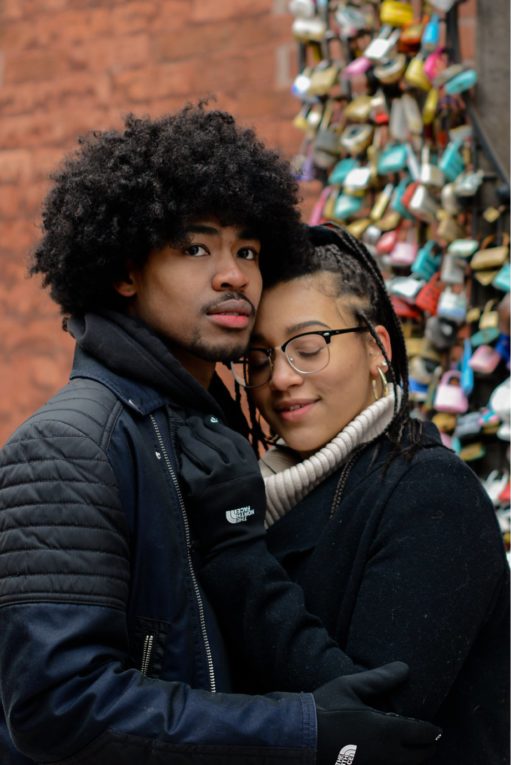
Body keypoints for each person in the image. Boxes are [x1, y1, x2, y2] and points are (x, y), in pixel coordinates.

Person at [0, 105, 439, 764]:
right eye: (196, 247)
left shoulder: (208, 434)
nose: (234, 274)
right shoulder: (70, 446)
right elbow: (59, 704)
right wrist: (299, 729)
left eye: (248, 250)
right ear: (125, 270)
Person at [226, 223, 510, 764]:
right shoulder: (271, 493)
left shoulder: (429, 494)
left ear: (378, 347)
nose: (280, 377)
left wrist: (234, 560)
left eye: (308, 347)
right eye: (259, 358)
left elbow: (378, 725)